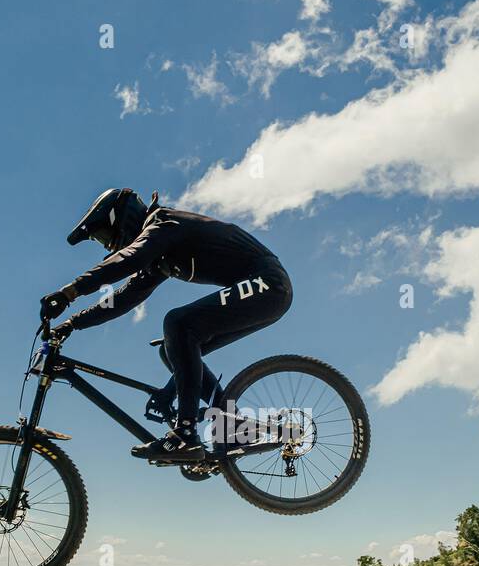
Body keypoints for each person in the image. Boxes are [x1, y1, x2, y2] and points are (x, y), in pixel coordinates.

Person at [41, 188, 292, 463]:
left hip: (269, 283)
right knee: (172, 346)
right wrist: (72, 323)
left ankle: (185, 435)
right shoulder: (158, 257)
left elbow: (129, 259)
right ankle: (229, 424)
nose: (108, 247)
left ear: (121, 219)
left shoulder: (164, 223)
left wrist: (71, 291)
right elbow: (123, 299)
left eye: (104, 237)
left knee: (178, 323)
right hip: (266, 291)